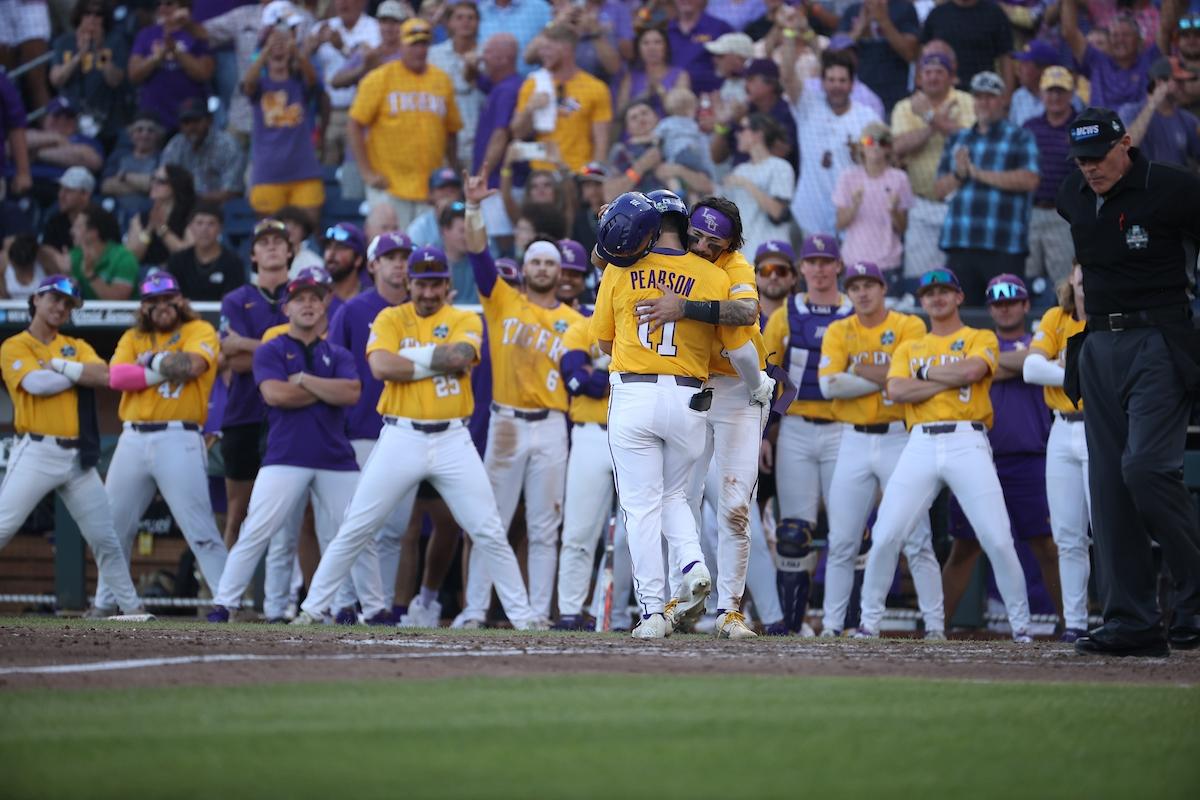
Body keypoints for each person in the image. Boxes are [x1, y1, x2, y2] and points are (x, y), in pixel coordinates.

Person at [292, 245, 545, 630]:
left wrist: (409, 361)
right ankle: (312, 609)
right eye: (421, 283)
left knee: (488, 529)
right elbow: (380, 367)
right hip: (400, 434)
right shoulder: (390, 317)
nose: (428, 292)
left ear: (447, 285)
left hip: (452, 438)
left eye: (435, 284)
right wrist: (431, 358)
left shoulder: (465, 318)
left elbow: (460, 356)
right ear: (408, 283)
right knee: (357, 524)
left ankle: (524, 617)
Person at [589, 191, 770, 638]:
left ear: (731, 245)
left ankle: (725, 609)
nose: (705, 245)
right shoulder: (692, 268)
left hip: (731, 385)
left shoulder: (731, 268)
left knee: (729, 507)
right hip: (694, 389)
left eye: (716, 241)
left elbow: (745, 316)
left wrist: (684, 305)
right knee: (678, 498)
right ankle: (675, 601)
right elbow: (609, 257)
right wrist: (618, 224)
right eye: (698, 235)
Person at [1057, 107, 1200, 657]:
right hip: (1099, 343)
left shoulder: (1171, 187)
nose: (1090, 168)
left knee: (1144, 469)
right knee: (1109, 487)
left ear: (1127, 145)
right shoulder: (1073, 193)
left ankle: (1193, 592)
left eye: (1098, 157)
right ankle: (1133, 620)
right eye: (1081, 159)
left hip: (1159, 340)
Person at [856, 267, 1033, 642]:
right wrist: (940, 378)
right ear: (921, 301)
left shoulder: (978, 335)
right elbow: (898, 390)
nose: (936, 298)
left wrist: (923, 376)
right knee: (887, 533)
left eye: (944, 291)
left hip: (967, 439)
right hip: (919, 441)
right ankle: (869, 623)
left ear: (958, 296)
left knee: (997, 538)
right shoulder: (910, 346)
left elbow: (973, 370)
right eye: (929, 293)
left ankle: (1022, 627)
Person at [209, 267, 390, 625]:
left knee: (358, 530)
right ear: (287, 308)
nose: (308, 305)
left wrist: (306, 381)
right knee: (257, 528)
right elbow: (276, 395)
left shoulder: (337, 353)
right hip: (285, 454)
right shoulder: (271, 349)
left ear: (325, 306)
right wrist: (326, 391)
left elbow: (351, 393)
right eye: (300, 299)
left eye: (315, 299)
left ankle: (373, 608)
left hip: (335, 457)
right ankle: (224, 603)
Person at [455, 175, 582, 628]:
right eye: (537, 262)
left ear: (561, 272)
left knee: (546, 526)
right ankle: (474, 610)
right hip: (506, 423)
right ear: (525, 269)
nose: (544, 268)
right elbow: (478, 255)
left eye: (551, 263)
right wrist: (473, 209)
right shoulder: (501, 300)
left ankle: (536, 613)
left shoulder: (576, 322)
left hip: (551, 425)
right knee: (492, 522)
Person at [0, 276, 147, 618]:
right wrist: (76, 373)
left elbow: (106, 375)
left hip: (77, 457)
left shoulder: (74, 344)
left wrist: (62, 366)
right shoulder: (15, 345)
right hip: (36, 450)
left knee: (106, 538)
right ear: (36, 299)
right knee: (3, 527)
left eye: (68, 304)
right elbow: (36, 384)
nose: (61, 308)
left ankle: (131, 607)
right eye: (55, 299)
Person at [818, 260, 944, 638]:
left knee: (916, 536)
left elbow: (907, 377)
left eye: (869, 284)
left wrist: (857, 370)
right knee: (842, 540)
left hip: (898, 437)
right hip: (852, 437)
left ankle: (935, 626)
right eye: (854, 286)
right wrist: (888, 377)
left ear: (882, 287)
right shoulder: (840, 328)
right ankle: (831, 626)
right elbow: (829, 387)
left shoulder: (909, 324)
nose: (862, 292)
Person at [95, 272, 228, 615]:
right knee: (113, 528)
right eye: (153, 301)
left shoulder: (199, 331)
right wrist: (161, 368)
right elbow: (116, 376)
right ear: (144, 307)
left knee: (200, 529)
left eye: (168, 298)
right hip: (133, 437)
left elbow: (193, 365)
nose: (162, 306)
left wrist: (150, 362)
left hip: (178, 436)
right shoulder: (133, 336)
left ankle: (228, 602)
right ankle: (107, 603)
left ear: (180, 300)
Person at [940, 275, 1061, 631]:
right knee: (964, 548)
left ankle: (1073, 626)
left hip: (1031, 458)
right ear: (989, 308)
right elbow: (967, 369)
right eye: (997, 302)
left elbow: (1033, 362)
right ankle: (936, 630)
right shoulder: (979, 341)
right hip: (979, 456)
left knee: (1047, 547)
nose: (1004, 307)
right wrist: (1013, 365)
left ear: (1026, 305)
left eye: (1012, 301)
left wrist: (990, 367)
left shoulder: (1039, 344)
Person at [762, 234, 853, 634]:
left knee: (850, 529)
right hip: (796, 428)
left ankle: (845, 623)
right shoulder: (787, 313)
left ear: (838, 266)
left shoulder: (854, 312)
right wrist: (767, 431)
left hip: (844, 427)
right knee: (794, 531)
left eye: (825, 261)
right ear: (803, 269)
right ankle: (792, 624)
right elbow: (765, 372)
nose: (818, 268)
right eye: (811, 261)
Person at [327, 231, 415, 616]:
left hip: (407, 431)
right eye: (390, 256)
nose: (399, 264)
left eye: (405, 257)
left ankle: (380, 608)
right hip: (359, 430)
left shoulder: (422, 311)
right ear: (373, 264)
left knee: (393, 530)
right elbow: (332, 367)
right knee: (357, 526)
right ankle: (347, 604)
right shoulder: (352, 309)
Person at [1024, 263, 1092, 641]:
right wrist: (1082, 371)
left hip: (1100, 428)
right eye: (1080, 274)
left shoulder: (1110, 314)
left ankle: (1122, 616)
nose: (1084, 282)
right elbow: (1031, 369)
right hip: (1061, 428)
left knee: (1106, 530)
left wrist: (1065, 366)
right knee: (1067, 536)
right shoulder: (1056, 316)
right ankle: (1076, 622)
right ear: (1072, 278)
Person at [933, 70, 1039, 305]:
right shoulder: (957, 138)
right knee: (962, 319)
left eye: (990, 97)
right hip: (961, 242)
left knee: (1007, 314)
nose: (984, 102)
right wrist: (960, 174)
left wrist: (978, 173)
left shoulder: (1020, 137)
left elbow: (1030, 179)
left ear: (1003, 100)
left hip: (1004, 244)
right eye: (979, 97)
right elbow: (939, 189)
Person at [217, 218, 290, 550]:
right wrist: (286, 353)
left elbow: (309, 354)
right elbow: (234, 362)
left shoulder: (306, 294)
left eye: (278, 240)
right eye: (264, 242)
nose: (272, 246)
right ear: (253, 255)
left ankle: (289, 597)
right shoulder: (236, 298)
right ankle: (223, 594)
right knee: (238, 512)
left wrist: (246, 344)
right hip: (244, 413)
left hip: (291, 415)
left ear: (291, 250)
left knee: (293, 515)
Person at [349, 16, 461, 229]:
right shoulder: (379, 78)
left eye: (423, 44)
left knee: (426, 254)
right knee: (390, 250)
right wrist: (366, 172)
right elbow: (355, 124)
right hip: (390, 186)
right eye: (413, 44)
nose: (419, 50)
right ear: (401, 45)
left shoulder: (442, 80)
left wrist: (452, 171)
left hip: (430, 189)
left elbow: (452, 130)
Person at [779, 12, 880, 238]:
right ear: (822, 82)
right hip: (809, 213)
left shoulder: (867, 117)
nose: (836, 86)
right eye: (831, 80)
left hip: (852, 216)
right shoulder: (808, 105)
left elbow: (879, 157)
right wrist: (788, 34)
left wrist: (862, 153)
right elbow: (787, 76)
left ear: (852, 84)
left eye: (842, 81)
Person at [891, 47, 975, 284]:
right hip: (921, 204)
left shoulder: (967, 101)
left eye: (940, 71)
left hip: (961, 204)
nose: (933, 77)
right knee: (922, 281)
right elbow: (897, 146)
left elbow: (974, 138)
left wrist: (930, 117)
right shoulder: (906, 106)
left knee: (960, 280)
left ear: (951, 76)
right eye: (927, 72)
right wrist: (934, 125)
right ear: (919, 77)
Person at [243, 20, 324, 224]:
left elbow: (313, 80)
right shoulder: (260, 86)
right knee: (269, 234)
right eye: (274, 44)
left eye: (282, 43)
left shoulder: (300, 83)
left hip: (304, 171)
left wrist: (295, 51)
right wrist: (267, 49)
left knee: (307, 232)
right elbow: (247, 83)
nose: (279, 48)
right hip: (267, 173)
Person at [511, 24, 612, 174]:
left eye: (548, 48)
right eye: (541, 49)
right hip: (542, 175)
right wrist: (529, 109)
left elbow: (601, 144)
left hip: (578, 173)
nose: (542, 54)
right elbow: (517, 133)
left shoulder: (596, 87)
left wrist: (593, 180)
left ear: (566, 50)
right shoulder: (534, 84)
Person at [833, 120, 912, 292]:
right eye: (869, 141)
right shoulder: (848, 177)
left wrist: (893, 211)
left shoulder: (899, 178)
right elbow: (839, 224)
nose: (875, 146)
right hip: (853, 261)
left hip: (887, 263)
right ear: (861, 147)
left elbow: (903, 227)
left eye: (882, 142)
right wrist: (854, 206)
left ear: (888, 148)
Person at [1022, 66, 1078, 290]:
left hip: (1063, 214)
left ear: (1071, 94)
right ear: (1041, 93)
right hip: (1032, 211)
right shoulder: (1030, 127)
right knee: (1029, 277)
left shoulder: (1079, 126)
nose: (1055, 97)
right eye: (1050, 91)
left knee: (1064, 280)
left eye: (1060, 91)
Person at [304, 0, 380, 166]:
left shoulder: (375, 29)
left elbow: (373, 70)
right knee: (324, 170)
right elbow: (302, 70)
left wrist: (342, 47)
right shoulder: (322, 28)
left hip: (361, 115)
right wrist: (310, 49)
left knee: (356, 172)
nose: (343, 3)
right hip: (326, 115)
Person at [1061, 0, 1171, 110]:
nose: (1120, 40)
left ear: (1139, 40)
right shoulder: (1097, 61)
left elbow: (1166, 29)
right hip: (1101, 124)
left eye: (1126, 35)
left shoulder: (1149, 60)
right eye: (1115, 35)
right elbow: (1069, 32)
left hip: (1138, 125)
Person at [49, 0, 128, 145]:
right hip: (70, 119)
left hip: (105, 119)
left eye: (98, 14)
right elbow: (56, 79)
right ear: (80, 15)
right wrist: (79, 55)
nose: (92, 18)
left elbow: (115, 80)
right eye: (87, 13)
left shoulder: (115, 41)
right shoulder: (64, 42)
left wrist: (98, 51)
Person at [127, 0, 215, 131]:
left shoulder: (197, 33)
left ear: (184, 7)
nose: (162, 8)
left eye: (169, 3)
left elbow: (204, 73)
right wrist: (157, 58)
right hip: (153, 120)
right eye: (159, 4)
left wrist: (176, 51)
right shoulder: (146, 34)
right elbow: (133, 74)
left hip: (190, 119)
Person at [720, 113, 794, 259]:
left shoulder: (780, 167)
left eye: (743, 129)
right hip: (744, 258)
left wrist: (746, 184)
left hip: (773, 254)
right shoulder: (739, 170)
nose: (737, 134)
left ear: (758, 134)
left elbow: (777, 211)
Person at [838, 0, 920, 114]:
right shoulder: (853, 10)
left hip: (894, 96)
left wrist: (884, 21)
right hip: (857, 97)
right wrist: (859, 28)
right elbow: (836, 54)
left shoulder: (904, 9)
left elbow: (910, 54)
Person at [429, 0, 484, 170]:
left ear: (478, 23)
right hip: (441, 141)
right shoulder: (433, 55)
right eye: (459, 18)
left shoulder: (487, 55)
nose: (465, 22)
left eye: (471, 18)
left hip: (477, 139)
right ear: (450, 23)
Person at [160, 97, 244, 205]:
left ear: (209, 120)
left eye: (196, 121)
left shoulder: (227, 145)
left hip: (218, 210)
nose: (191, 126)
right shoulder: (176, 144)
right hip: (183, 208)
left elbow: (232, 192)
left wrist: (193, 199)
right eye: (186, 122)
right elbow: (164, 181)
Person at [1119, 57, 1200, 167]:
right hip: (1143, 182)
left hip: (1176, 182)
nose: (1183, 86)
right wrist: (1152, 104)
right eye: (1178, 81)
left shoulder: (1188, 120)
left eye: (1184, 81)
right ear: (1159, 82)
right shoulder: (1130, 111)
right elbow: (1128, 146)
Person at [919, 0, 1014, 89]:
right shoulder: (937, 14)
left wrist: (1007, 95)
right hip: (944, 92)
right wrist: (919, 86)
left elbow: (1005, 58)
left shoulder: (994, 13)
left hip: (983, 93)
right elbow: (923, 54)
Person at [166, 201, 245, 301]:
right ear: (190, 227)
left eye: (211, 224)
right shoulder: (177, 261)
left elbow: (233, 303)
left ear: (220, 228)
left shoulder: (234, 263)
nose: (204, 229)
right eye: (199, 223)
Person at [125, 163, 195, 270]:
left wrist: (162, 229)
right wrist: (149, 228)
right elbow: (131, 258)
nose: (154, 184)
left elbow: (187, 257)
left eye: (161, 181)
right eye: (153, 179)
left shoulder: (191, 217)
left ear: (175, 185)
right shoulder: (141, 217)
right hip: (147, 272)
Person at [100, 111, 166, 220]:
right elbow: (106, 186)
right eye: (139, 130)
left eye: (150, 131)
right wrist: (143, 185)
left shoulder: (162, 158)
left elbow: (158, 186)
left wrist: (124, 177)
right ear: (131, 135)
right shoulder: (119, 156)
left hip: (148, 215)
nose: (144, 135)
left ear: (158, 135)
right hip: (116, 213)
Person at [617, 23, 690, 115]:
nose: (652, 48)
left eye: (657, 42)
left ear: (666, 47)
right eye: (645, 43)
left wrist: (659, 90)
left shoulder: (680, 75)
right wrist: (645, 95)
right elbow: (621, 113)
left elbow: (682, 112)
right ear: (639, 49)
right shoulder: (630, 78)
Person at [70, 203, 138, 301]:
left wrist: (90, 275)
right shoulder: (75, 255)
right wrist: (66, 273)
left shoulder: (124, 258)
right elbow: (68, 298)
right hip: (86, 315)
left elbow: (118, 301)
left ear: (93, 232)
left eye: (78, 227)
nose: (72, 231)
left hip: (123, 315)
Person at [668, 0, 733, 95]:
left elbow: (736, 63)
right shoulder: (665, 29)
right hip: (672, 97)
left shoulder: (719, 28)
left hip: (711, 95)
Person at [322, 221, 369, 308]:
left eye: (340, 248)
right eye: (328, 247)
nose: (331, 254)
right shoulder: (317, 300)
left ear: (358, 259)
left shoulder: (369, 302)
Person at [3, 234, 43, 298]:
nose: (22, 271)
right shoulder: (4, 264)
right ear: (12, 262)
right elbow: (3, 298)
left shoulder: (45, 261)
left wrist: (65, 271)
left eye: (26, 268)